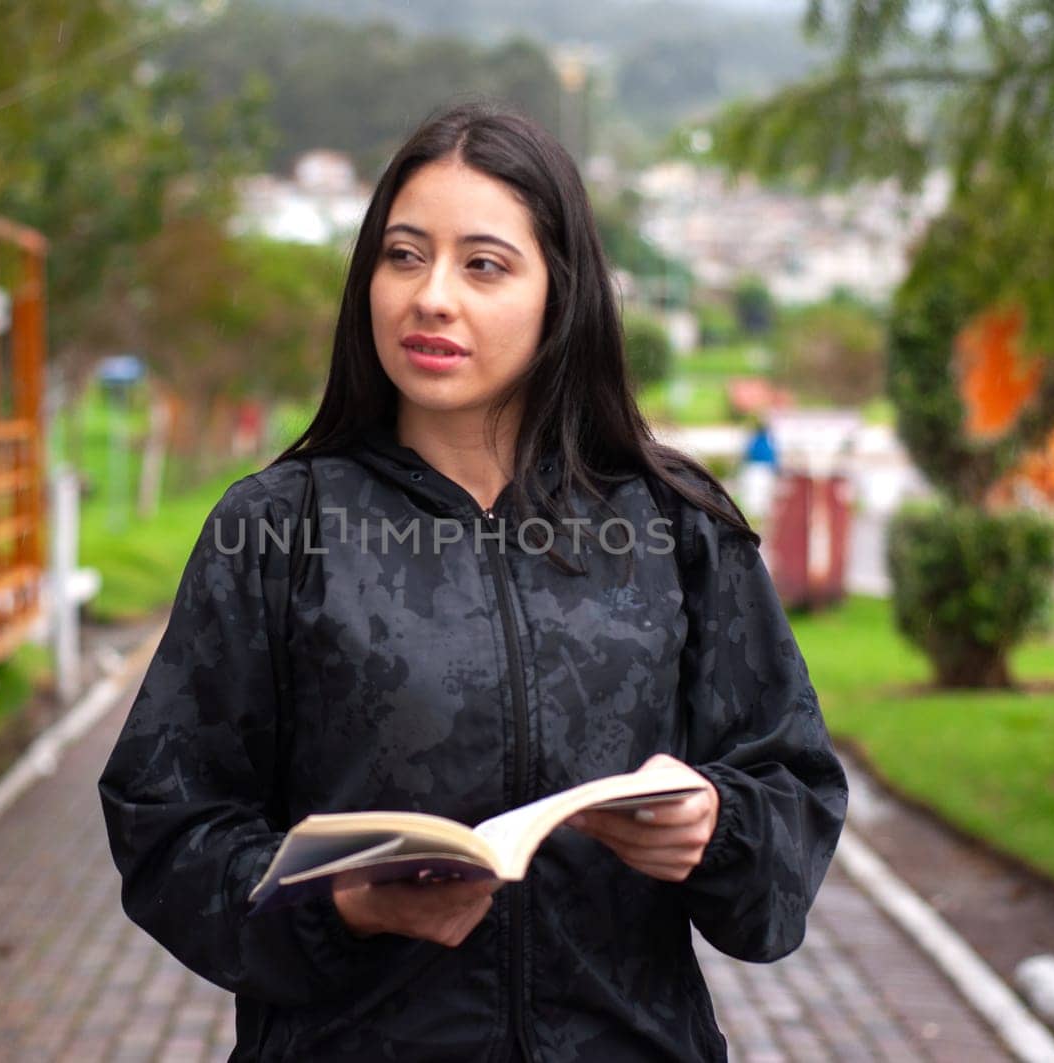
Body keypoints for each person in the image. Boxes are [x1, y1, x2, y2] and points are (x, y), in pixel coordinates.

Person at [99, 101, 847, 1062]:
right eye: (404, 256)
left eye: (483, 264)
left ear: (559, 293)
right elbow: (166, 826)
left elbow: (792, 781)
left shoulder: (675, 525)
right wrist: (339, 903)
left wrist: (716, 825)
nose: (431, 296)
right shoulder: (275, 529)